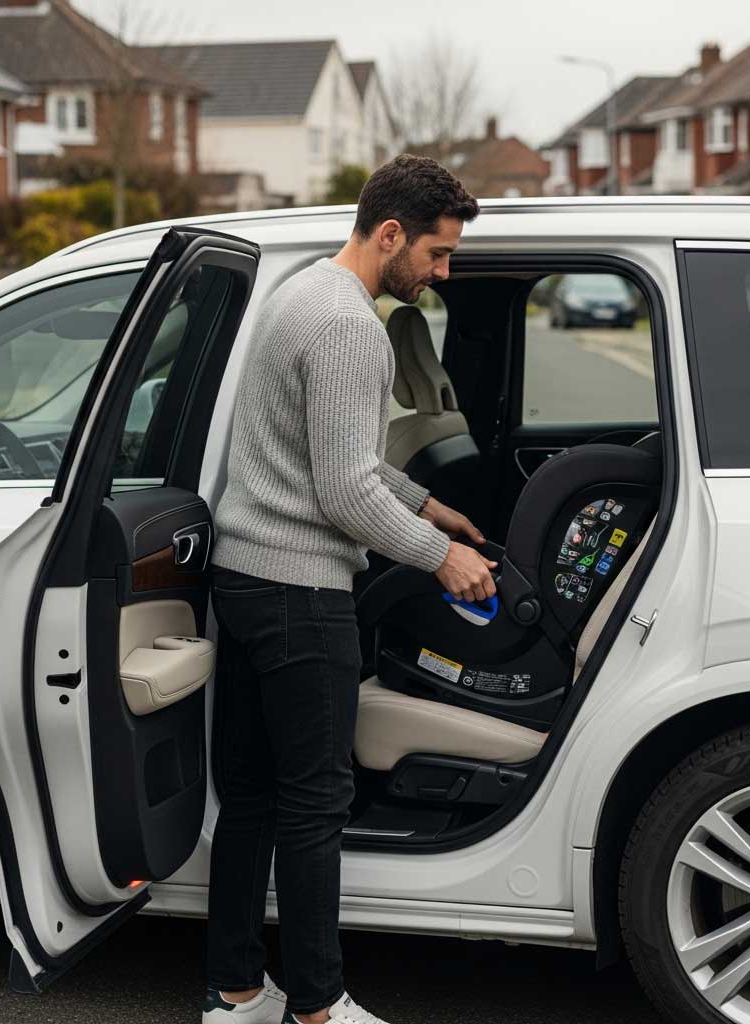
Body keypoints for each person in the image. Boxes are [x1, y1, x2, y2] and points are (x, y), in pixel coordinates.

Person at [202, 155, 494, 1024]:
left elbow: (338, 459)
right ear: (391, 233)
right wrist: (439, 556)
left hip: (245, 578)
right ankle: (319, 1008)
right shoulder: (351, 328)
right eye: (438, 254)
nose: (443, 274)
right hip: (301, 595)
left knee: (252, 798)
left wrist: (427, 504)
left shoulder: (302, 292)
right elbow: (343, 492)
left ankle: (236, 994)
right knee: (314, 804)